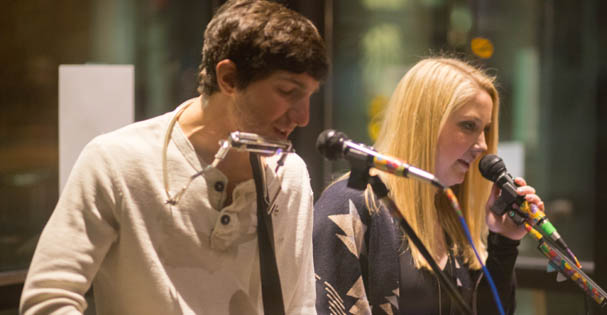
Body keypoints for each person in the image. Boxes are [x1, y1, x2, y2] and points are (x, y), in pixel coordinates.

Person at [20, 0, 328, 314]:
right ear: (229, 79)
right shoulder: (117, 161)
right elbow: (49, 299)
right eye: (288, 92)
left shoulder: (288, 176)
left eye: (309, 96)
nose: (303, 116)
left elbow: (298, 306)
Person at [313, 57, 543, 314]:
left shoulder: (450, 213)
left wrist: (505, 241)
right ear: (424, 123)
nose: (482, 146)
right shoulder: (350, 204)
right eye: (468, 126)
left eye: (485, 130)